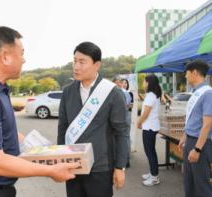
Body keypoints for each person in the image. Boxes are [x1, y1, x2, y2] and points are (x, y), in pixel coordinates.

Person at [0, 26, 78, 197]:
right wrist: (51, 170)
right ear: (5, 57)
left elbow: (5, 132)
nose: (24, 60)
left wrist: (44, 150)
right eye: (22, 53)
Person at [57, 42, 130, 197]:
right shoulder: (68, 92)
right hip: (73, 166)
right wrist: (61, 160)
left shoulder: (112, 93)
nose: (76, 66)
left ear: (97, 65)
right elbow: (62, 128)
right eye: (74, 61)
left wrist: (120, 167)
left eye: (82, 62)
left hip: (100, 168)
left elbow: (122, 132)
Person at [178, 60, 212, 197]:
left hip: (201, 144)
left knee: (201, 184)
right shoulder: (197, 92)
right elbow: (194, 118)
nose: (185, 76)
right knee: (189, 181)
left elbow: (208, 124)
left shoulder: (207, 93)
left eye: (187, 73)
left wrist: (197, 149)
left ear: (194, 73)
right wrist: (185, 136)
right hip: (191, 141)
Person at [137, 74, 162, 186]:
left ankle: (154, 177)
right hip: (151, 127)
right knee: (151, 151)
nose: (143, 83)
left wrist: (139, 122)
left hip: (149, 127)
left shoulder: (151, 95)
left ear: (148, 82)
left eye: (144, 81)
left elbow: (146, 113)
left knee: (150, 152)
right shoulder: (152, 94)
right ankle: (153, 173)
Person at [121, 78, 134, 168]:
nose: (124, 84)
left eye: (126, 83)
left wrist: (125, 105)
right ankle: (125, 159)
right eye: (123, 83)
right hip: (122, 115)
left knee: (125, 136)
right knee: (124, 137)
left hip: (126, 115)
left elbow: (131, 106)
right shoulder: (119, 92)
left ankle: (126, 159)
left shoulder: (129, 93)